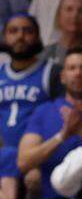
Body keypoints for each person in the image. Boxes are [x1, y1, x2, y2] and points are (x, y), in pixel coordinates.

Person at [17, 47, 82, 199]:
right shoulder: (44, 111)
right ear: (62, 77)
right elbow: (24, 161)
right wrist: (62, 135)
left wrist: (80, 130)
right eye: (72, 68)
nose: (78, 73)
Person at [0, 14, 53, 151]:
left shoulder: (52, 72)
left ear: (37, 37)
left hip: (38, 155)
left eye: (27, 31)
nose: (20, 36)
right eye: (13, 31)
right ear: (4, 37)